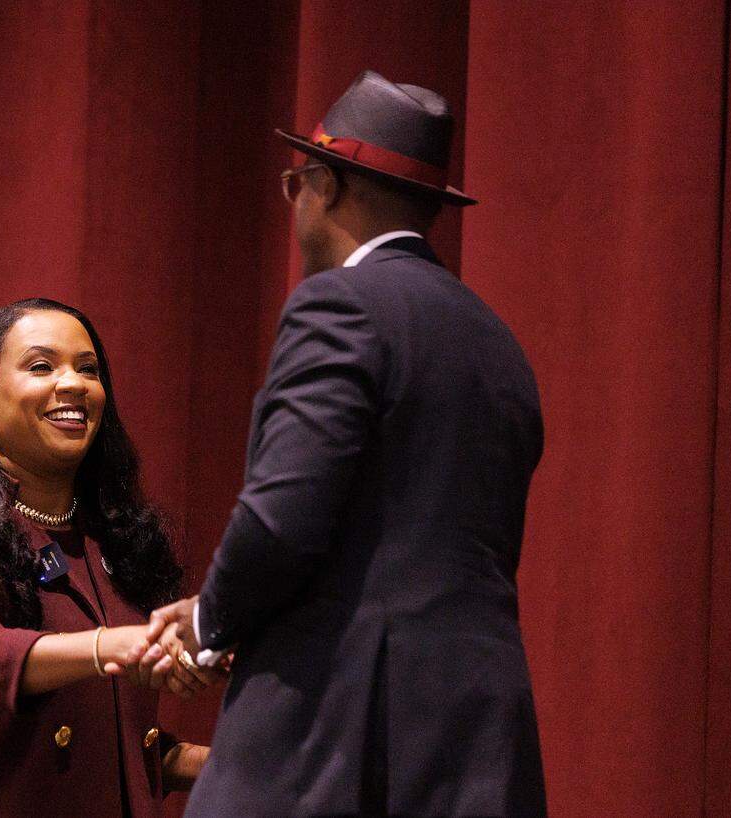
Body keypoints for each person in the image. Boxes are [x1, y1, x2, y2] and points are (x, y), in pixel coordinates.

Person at [141, 71, 548, 816]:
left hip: (342, 737)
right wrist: (228, 607)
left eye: (295, 184)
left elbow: (280, 521)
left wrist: (206, 623)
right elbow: (395, 545)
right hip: (479, 741)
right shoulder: (499, 343)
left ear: (322, 186)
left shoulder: (340, 305)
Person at [0, 298, 219, 817]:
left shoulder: (115, 536)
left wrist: (230, 764)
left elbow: (109, 749)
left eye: (89, 370)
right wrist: (117, 645)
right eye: (42, 366)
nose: (74, 385)